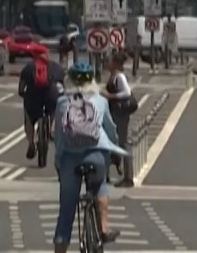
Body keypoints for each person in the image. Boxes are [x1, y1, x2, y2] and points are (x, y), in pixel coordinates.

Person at [51, 61, 125, 252]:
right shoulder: (100, 101)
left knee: (67, 209)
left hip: (70, 158)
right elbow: (111, 129)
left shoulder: (62, 102)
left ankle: (60, 248)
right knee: (100, 184)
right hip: (96, 154)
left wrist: (58, 160)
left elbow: (58, 135)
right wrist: (115, 149)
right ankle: (104, 226)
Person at [18, 49, 65, 161]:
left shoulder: (29, 67)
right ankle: (52, 129)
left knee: (29, 118)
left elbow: (21, 88)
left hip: (33, 96)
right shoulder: (56, 67)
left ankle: (31, 143)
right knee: (54, 108)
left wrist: (23, 94)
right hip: (51, 95)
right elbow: (64, 85)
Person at [104, 51, 136, 181]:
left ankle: (127, 175)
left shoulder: (119, 77)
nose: (108, 63)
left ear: (116, 63)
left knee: (121, 141)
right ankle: (108, 171)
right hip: (113, 112)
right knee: (110, 140)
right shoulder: (113, 76)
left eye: (110, 61)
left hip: (119, 114)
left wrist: (110, 96)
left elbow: (126, 92)